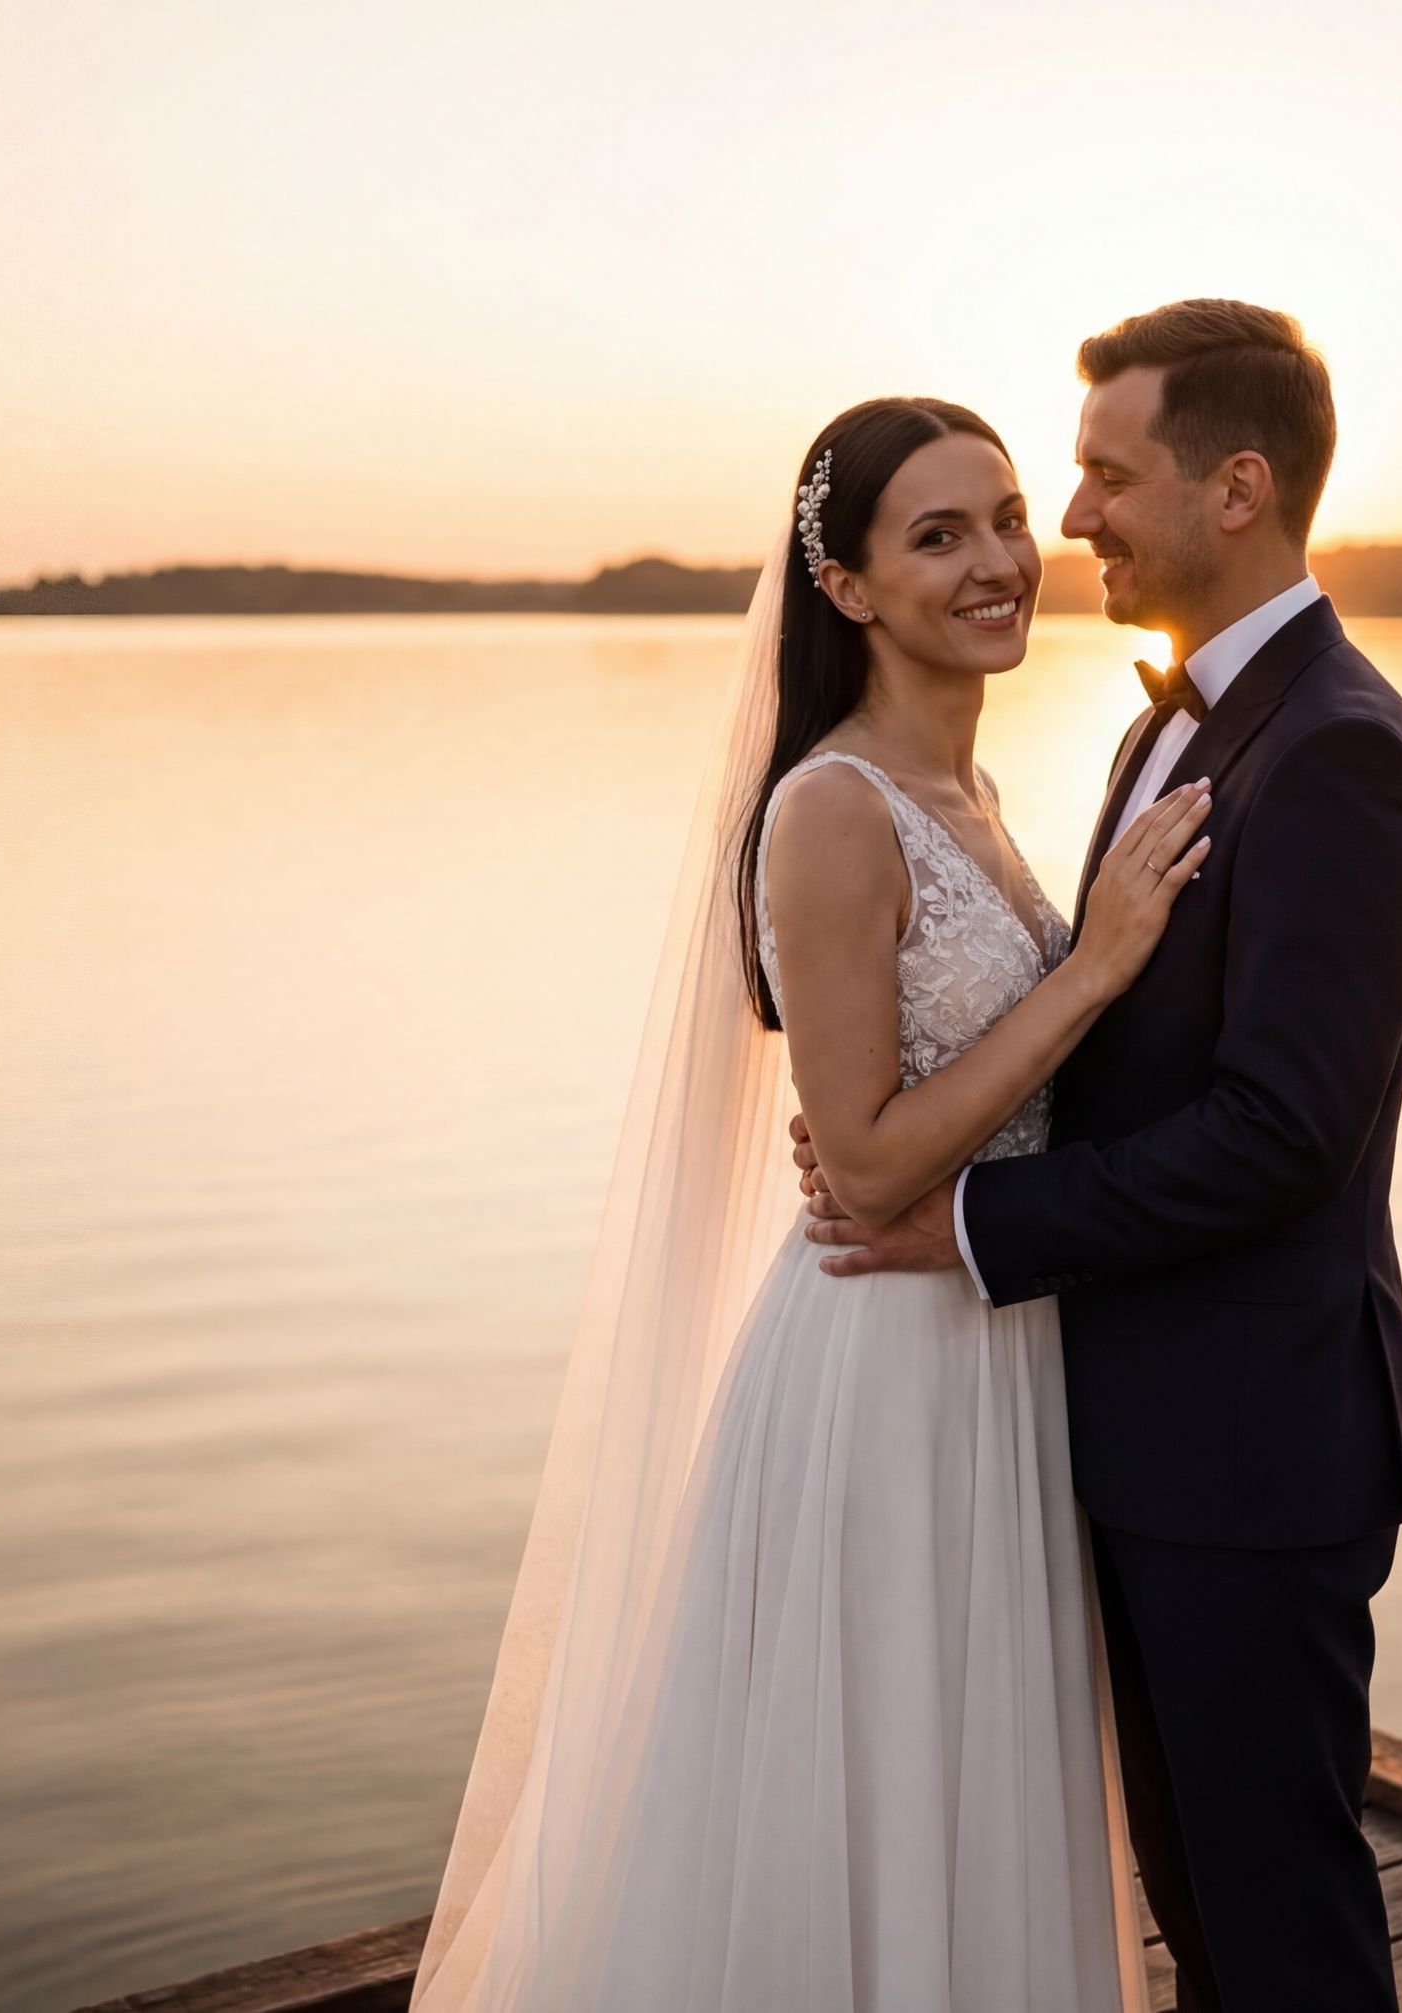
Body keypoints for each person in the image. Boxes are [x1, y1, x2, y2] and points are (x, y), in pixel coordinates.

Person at [412, 392, 1213, 2013]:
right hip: (882, 1389)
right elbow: (859, 1156)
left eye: (1004, 517)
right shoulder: (831, 810)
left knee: (974, 1787)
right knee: (873, 1790)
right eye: (939, 535)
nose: (1000, 562)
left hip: (1001, 1357)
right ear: (843, 586)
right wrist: (1102, 965)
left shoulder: (975, 798)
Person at [799, 299, 1402, 2010]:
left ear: (1237, 488)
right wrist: (907, 1127)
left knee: (1280, 1926)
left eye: (1096, 477)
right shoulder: (1166, 723)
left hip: (1250, 1452)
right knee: (1202, 1908)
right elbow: (1115, 1059)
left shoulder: (1340, 751)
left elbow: (1280, 1137)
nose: (1067, 520)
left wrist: (970, 1215)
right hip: (1116, 1429)